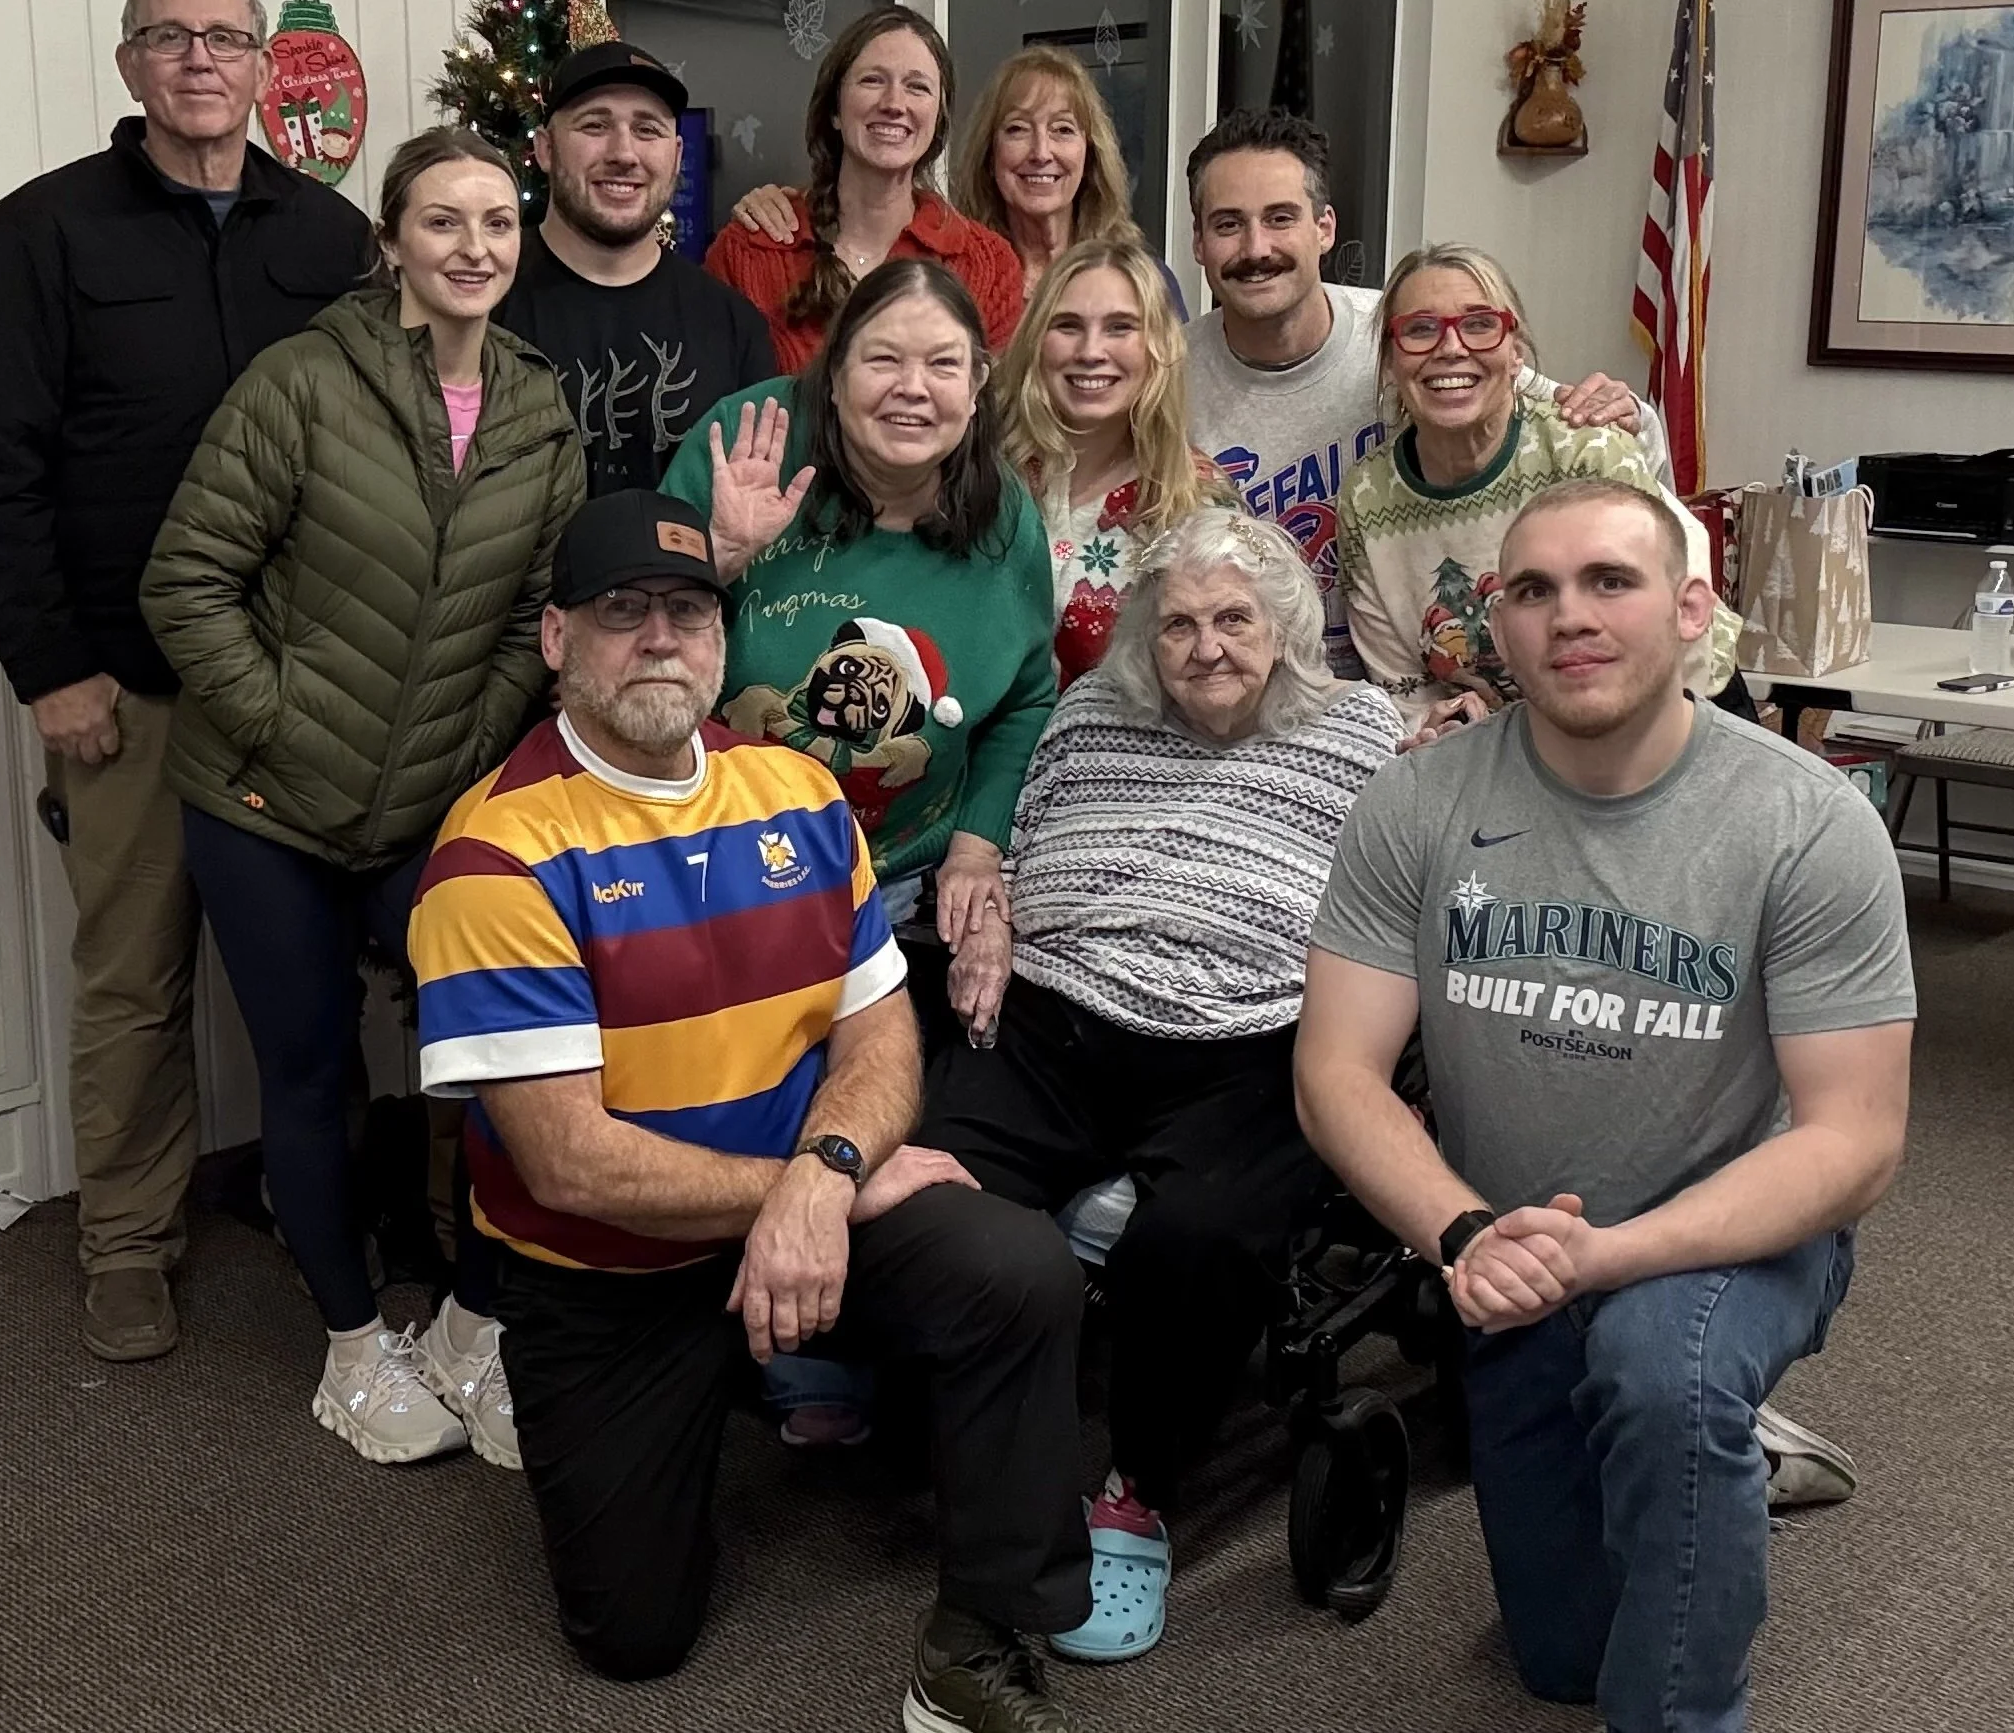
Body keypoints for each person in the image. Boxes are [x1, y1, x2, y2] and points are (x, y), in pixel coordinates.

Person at [407, 488, 1094, 1732]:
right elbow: (569, 1165)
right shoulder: (494, 858)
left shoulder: (792, 788)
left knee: (1016, 1266)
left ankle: (982, 1636)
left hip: (806, 1200)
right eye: (622, 612)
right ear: (557, 641)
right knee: (634, 1640)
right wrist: (800, 1195)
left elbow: (878, 1027)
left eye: (686, 609)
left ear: (723, 638)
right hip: (604, 1273)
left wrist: (828, 1172)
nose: (660, 638)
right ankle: (736, 1372)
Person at [1295, 478, 1913, 1733]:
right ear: (1496, 626)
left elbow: (1853, 1139)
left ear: (1691, 610)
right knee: (1557, 1656)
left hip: (1727, 1234)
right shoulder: (1415, 804)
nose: (1567, 618)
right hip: (1507, 1248)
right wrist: (1468, 1235)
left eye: (1608, 582)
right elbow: (1336, 1073)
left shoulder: (1803, 823)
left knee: (1656, 1378)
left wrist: (1610, 1259)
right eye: (1532, 591)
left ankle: (1698, 1466)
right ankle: (1711, 1465)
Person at [140, 127, 584, 1465]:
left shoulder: (536, 408)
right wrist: (287, 728)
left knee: (510, 1050)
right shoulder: (301, 384)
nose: (473, 249)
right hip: (262, 801)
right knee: (311, 1068)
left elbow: (531, 620)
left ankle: (471, 1326)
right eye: (441, 223)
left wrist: (459, 751)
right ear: (390, 240)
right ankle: (349, 1345)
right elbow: (185, 582)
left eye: (496, 224)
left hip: (431, 800)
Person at [0, 0, 371, 1364]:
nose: (201, 61)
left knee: (308, 972)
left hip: (295, 689)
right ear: (129, 66)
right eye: (170, 38)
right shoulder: (41, 232)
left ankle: (311, 1203)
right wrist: (46, 665)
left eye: (226, 39)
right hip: (120, 689)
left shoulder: (331, 239)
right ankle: (127, 1243)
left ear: (266, 68)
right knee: (133, 980)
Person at [921, 508, 1402, 1662]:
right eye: (1176, 623)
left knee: (1193, 1238)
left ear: (1283, 628)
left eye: (1232, 618)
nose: (1204, 647)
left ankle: (1135, 1484)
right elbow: (1012, 843)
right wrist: (985, 906)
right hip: (1053, 1015)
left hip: (1243, 1039)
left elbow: (1402, 894)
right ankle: (935, 1418)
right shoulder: (1091, 710)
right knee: (927, 1180)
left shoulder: (1359, 730)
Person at [659, 259, 1055, 950]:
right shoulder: (752, 442)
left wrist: (975, 848)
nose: (912, 388)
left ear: (976, 386)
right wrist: (716, 556)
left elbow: (1024, 699)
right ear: (835, 372)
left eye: (942, 364)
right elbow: (632, 640)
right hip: (700, 860)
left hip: (894, 883)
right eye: (883, 359)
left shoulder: (1003, 517)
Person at [1180, 107, 1650, 677]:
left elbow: (1542, 408)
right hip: (1234, 680)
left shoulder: (1412, 331)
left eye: (1281, 218)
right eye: (1228, 224)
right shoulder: (1165, 378)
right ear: (1199, 241)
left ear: (1324, 228)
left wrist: (1625, 414)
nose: (1257, 248)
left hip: (1388, 689)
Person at [1339, 242, 1745, 738]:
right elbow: (1404, 694)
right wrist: (1435, 733)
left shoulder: (1587, 453)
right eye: (1419, 330)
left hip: (1674, 710)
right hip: (1502, 747)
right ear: (1389, 362)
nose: (1450, 348)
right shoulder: (1365, 497)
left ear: (1516, 353)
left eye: (1479, 324)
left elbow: (1656, 639)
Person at [492, 39, 775, 496]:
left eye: (648, 130)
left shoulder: (733, 327)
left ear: (678, 156)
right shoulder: (483, 299)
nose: (624, 153)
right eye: (595, 125)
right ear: (545, 149)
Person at [732, 43, 1184, 314]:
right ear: (989, 154)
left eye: (1063, 130)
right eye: (1017, 129)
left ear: (1091, 152)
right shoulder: (961, 266)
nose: (1041, 152)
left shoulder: (1142, 280)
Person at [703, 5, 1024, 373]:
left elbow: (989, 420)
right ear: (835, 111)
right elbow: (718, 415)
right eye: (872, 80)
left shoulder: (988, 265)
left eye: (917, 87)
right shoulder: (749, 251)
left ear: (938, 121)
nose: (894, 104)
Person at [994, 238, 1228, 684]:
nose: (1091, 351)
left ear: (1157, 346)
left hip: (1129, 750)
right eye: (1067, 325)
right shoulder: (982, 474)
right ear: (1036, 340)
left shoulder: (1201, 501)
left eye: (1120, 327)